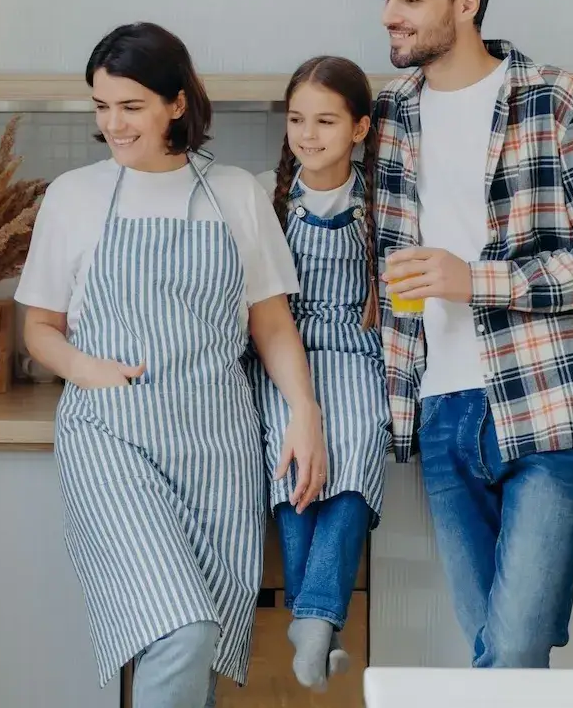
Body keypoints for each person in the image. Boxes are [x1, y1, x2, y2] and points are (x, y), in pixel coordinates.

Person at [15, 21, 329, 708]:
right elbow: (39, 327)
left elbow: (271, 322)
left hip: (216, 444)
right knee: (182, 630)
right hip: (112, 435)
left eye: (131, 106)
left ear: (177, 103)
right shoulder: (74, 195)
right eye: (101, 106)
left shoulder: (237, 194)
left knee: (200, 648)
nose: (113, 124)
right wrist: (83, 366)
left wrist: (305, 413)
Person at [367, 0, 573, 668]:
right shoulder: (393, 111)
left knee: (512, 650)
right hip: (442, 409)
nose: (390, 14)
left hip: (553, 402)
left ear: (467, 3)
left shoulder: (558, 100)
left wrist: (477, 279)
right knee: (498, 648)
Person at [243, 56, 392, 692]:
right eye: (298, 120)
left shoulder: (387, 203)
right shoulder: (262, 196)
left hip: (358, 356)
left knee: (357, 442)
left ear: (359, 127)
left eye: (326, 121)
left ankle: (312, 616)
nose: (308, 134)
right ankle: (320, 620)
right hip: (285, 356)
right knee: (292, 454)